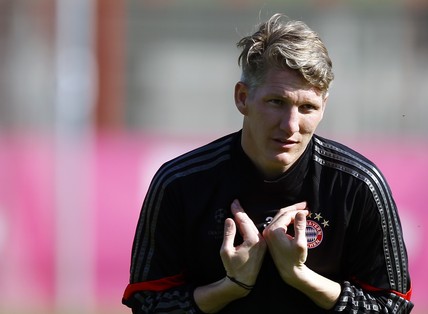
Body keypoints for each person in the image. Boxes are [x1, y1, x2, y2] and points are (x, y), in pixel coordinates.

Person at [122, 13, 413, 313]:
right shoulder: (179, 183)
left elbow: (392, 305)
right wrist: (230, 287)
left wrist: (301, 277)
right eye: (277, 102)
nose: (291, 125)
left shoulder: (359, 186)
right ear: (242, 98)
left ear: (323, 107)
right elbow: (147, 305)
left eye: (307, 107)